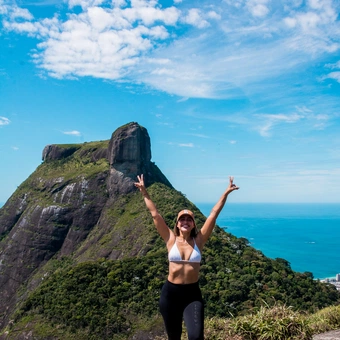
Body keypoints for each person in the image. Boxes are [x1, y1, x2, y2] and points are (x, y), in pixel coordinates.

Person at [134, 174, 239, 340]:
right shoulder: (170, 239)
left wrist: (225, 193)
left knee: (196, 337)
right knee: (174, 337)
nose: (185, 221)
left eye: (189, 219)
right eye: (181, 219)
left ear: (193, 224)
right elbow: (155, 214)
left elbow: (213, 215)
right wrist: (144, 192)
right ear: (177, 224)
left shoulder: (199, 240)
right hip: (170, 294)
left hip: (192, 295)